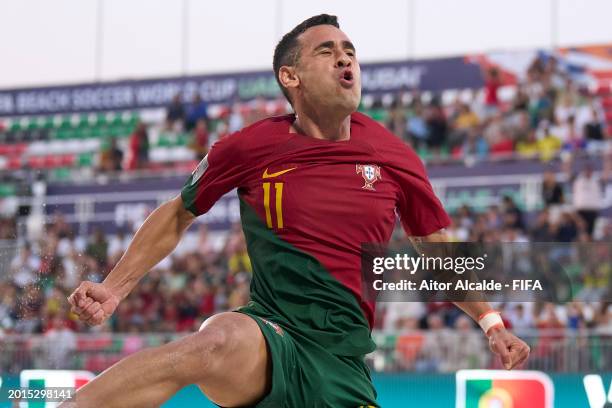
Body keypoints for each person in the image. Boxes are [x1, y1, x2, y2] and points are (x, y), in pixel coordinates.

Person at [64, 14, 529, 408]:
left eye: (349, 50)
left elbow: (436, 251)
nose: (345, 58)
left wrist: (492, 324)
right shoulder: (248, 147)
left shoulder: (395, 155)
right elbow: (178, 213)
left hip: (342, 360)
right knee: (213, 341)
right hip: (272, 335)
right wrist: (114, 288)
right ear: (292, 77)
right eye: (327, 51)